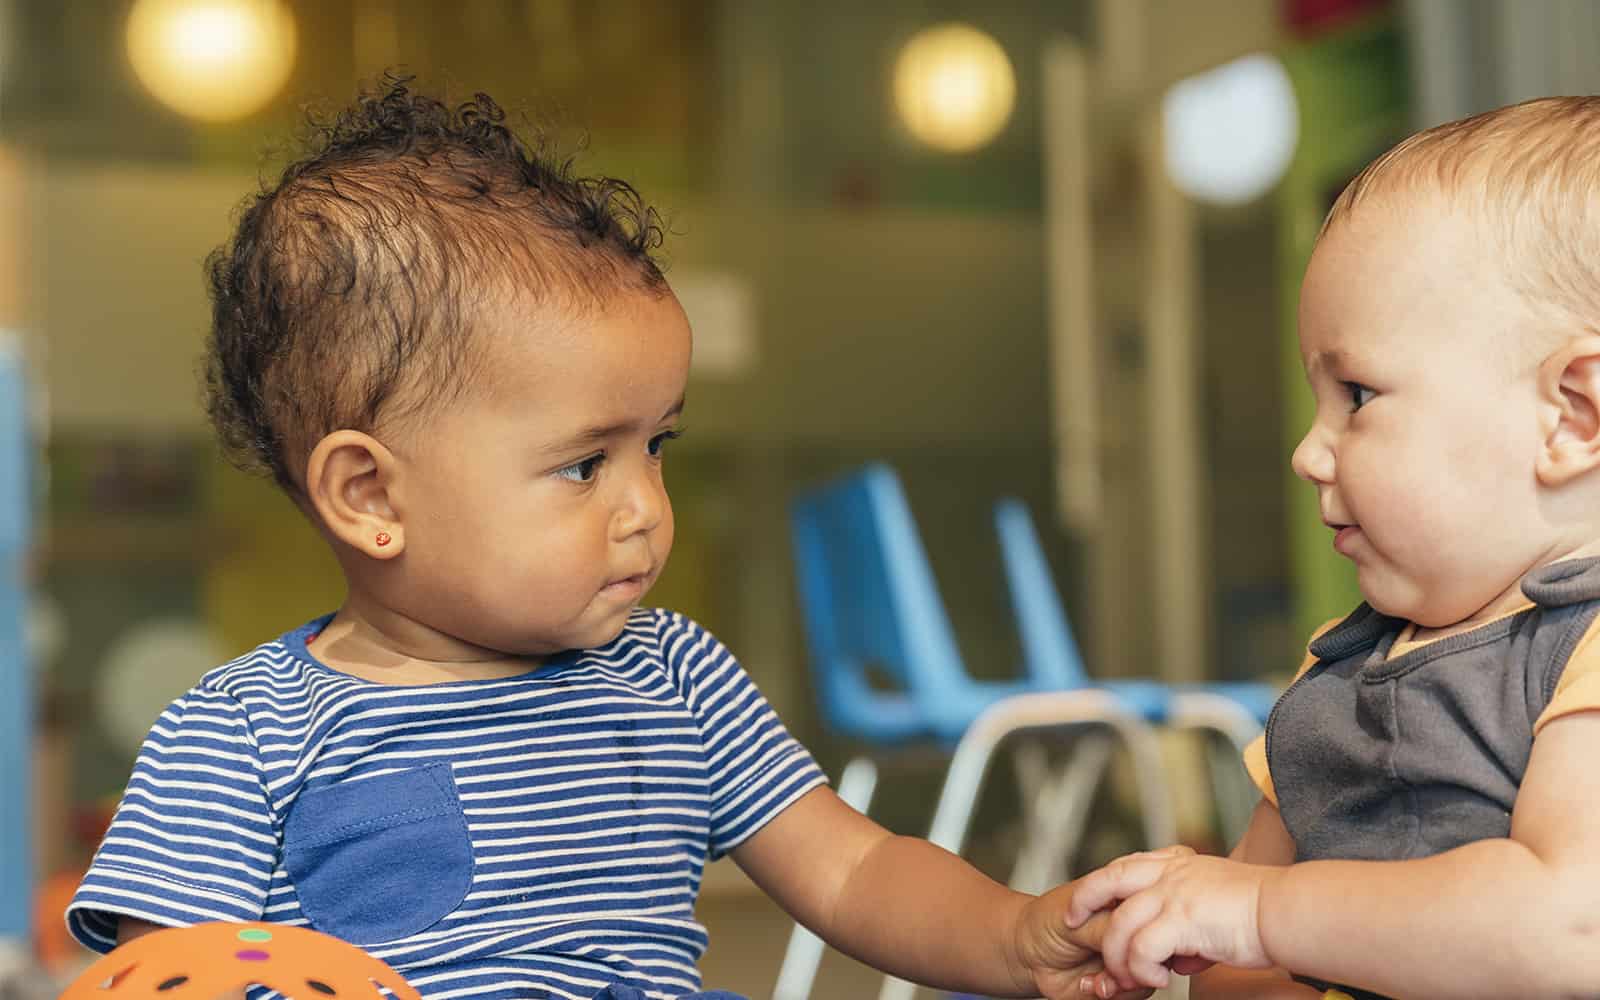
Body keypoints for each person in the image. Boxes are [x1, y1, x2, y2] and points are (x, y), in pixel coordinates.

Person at [63, 78, 1140, 1000]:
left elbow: (855, 873)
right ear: (367, 494)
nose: (644, 507)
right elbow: (178, 971)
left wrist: (1013, 936)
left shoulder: (674, 676)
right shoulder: (241, 734)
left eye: (657, 445)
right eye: (585, 463)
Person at [1063, 96, 1600, 1000]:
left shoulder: (1582, 654)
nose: (1309, 453)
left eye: (1356, 395)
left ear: (1571, 414)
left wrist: (1262, 913)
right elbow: (1235, 972)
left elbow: (1573, 923)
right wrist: (1201, 931)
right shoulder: (1338, 672)